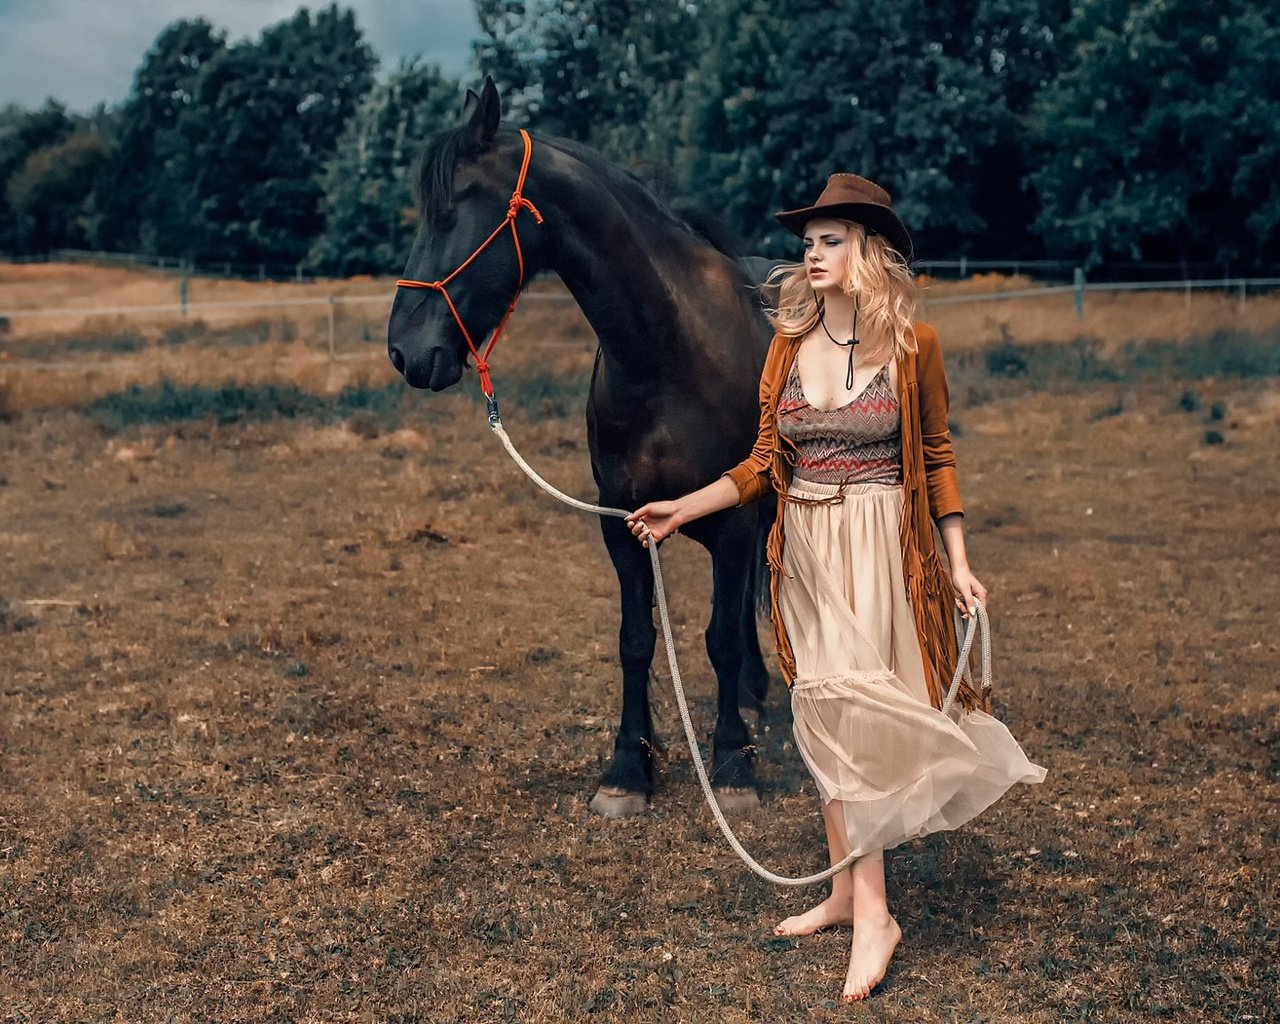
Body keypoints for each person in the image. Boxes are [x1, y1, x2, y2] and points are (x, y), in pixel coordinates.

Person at [625, 174, 1046, 1003]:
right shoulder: (788, 345)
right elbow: (759, 465)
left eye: (830, 240)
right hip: (808, 549)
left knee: (856, 713)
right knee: (821, 711)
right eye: (808, 241)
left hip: (881, 546)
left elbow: (936, 459)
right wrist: (682, 508)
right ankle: (848, 891)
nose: (812, 254)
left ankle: (877, 917)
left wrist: (957, 562)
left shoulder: (915, 346)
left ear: (869, 251)